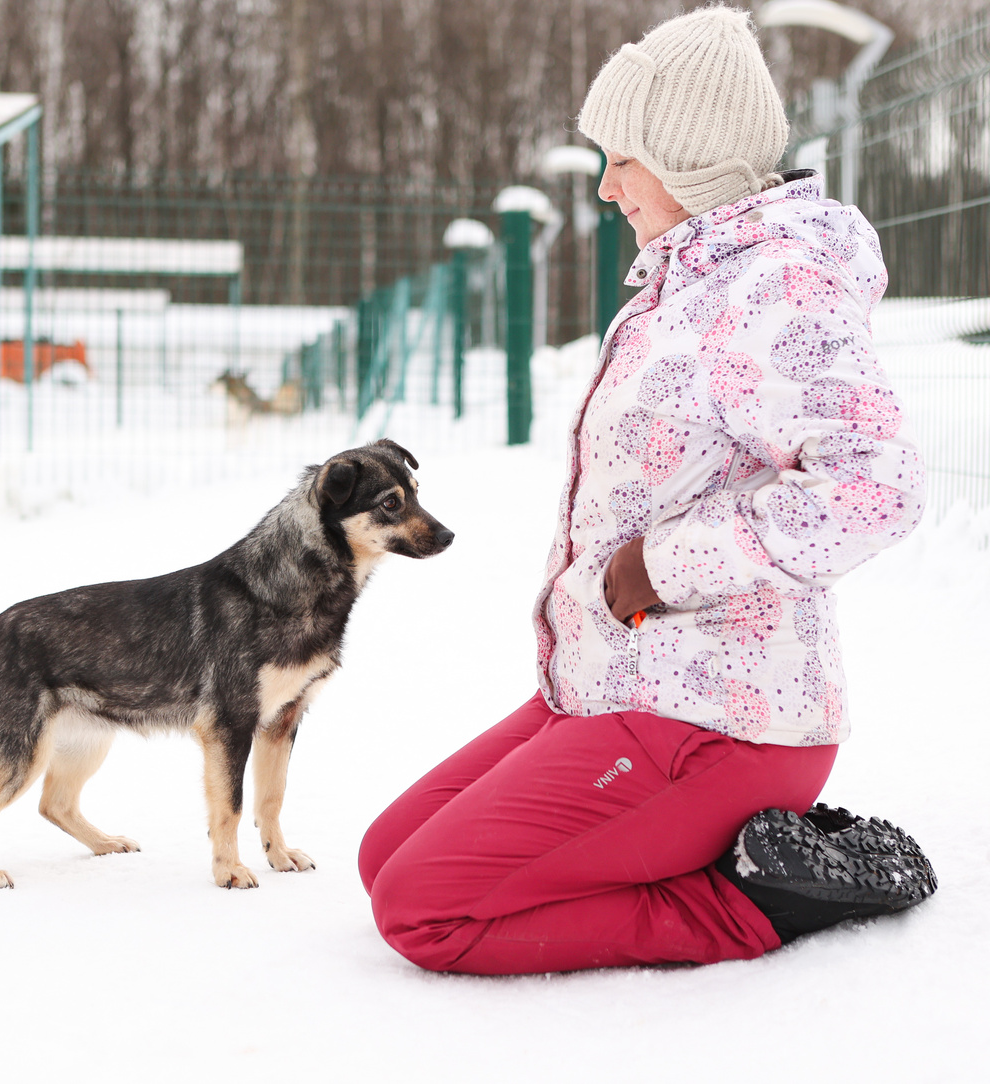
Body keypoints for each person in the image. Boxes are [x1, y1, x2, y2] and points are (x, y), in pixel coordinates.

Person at [358, 5, 937, 975]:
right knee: (386, 858)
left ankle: (752, 901)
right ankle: (689, 845)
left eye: (625, 158)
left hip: (724, 720)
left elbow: (875, 485)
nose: (605, 184)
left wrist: (664, 566)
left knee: (425, 911)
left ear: (696, 162)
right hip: (618, 683)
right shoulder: (681, 285)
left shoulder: (773, 288)